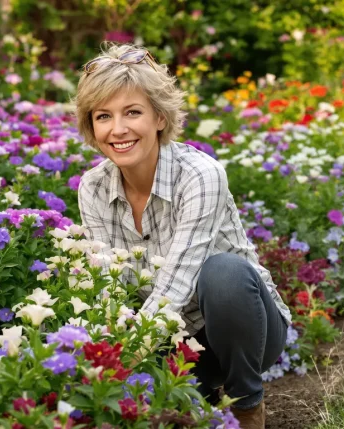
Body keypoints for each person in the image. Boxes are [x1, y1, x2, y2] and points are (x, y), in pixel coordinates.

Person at [74, 43, 291, 429]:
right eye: (103, 116)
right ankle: (201, 395)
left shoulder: (200, 175)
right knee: (165, 410)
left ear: (159, 117)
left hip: (244, 327)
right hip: (169, 339)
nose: (118, 129)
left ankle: (246, 404)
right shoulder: (93, 187)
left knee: (224, 273)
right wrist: (103, 355)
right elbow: (108, 285)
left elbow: (178, 282)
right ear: (92, 126)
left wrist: (127, 356)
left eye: (132, 112)